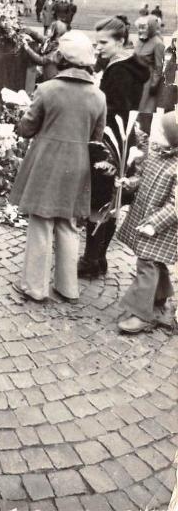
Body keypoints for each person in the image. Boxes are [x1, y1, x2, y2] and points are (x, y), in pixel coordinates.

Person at [10, 31, 106, 303]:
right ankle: (67, 287)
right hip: (78, 165)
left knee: (41, 222)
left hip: (46, 161)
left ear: (62, 58)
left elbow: (27, 127)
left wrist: (22, 122)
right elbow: (96, 140)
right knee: (69, 223)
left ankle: (34, 287)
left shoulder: (48, 89)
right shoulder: (98, 96)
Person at [78, 16, 150, 279]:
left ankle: (90, 261)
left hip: (110, 140)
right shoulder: (128, 66)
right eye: (96, 43)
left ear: (120, 41)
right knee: (111, 199)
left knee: (100, 198)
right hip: (123, 139)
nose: (98, 48)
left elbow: (112, 109)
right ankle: (100, 258)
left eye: (104, 42)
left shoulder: (118, 71)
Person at [115, 111, 177, 334]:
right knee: (155, 261)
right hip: (146, 218)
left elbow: (176, 205)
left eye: (160, 131)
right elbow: (143, 178)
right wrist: (130, 182)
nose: (154, 133)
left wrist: (155, 224)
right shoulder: (156, 154)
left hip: (163, 228)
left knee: (147, 264)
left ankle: (141, 314)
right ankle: (159, 298)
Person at [134, 15, 165, 132]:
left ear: (151, 28)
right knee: (133, 113)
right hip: (135, 80)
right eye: (139, 27)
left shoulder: (158, 43)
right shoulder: (139, 41)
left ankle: (143, 141)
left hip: (148, 82)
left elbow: (159, 66)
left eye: (144, 27)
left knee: (145, 113)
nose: (141, 30)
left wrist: (154, 84)